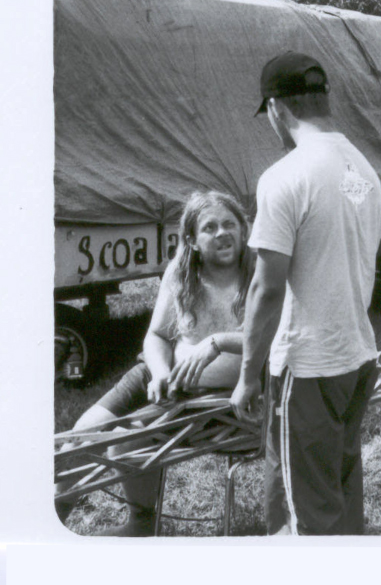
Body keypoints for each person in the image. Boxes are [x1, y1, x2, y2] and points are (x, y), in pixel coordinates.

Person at [230, 51, 381, 536]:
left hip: (309, 365)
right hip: (357, 355)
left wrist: (248, 377)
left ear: (277, 107)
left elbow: (266, 289)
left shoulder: (285, 176)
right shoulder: (363, 169)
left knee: (305, 508)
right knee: (337, 487)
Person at [56, 190, 253, 536]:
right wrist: (160, 372)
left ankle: (141, 524)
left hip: (214, 397)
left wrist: (218, 342)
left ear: (242, 229)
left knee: (121, 440)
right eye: (210, 227)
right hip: (160, 376)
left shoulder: (259, 271)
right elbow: (157, 336)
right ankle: (49, 524)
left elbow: (279, 337)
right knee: (79, 438)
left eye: (229, 224)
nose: (222, 233)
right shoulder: (181, 271)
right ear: (191, 240)